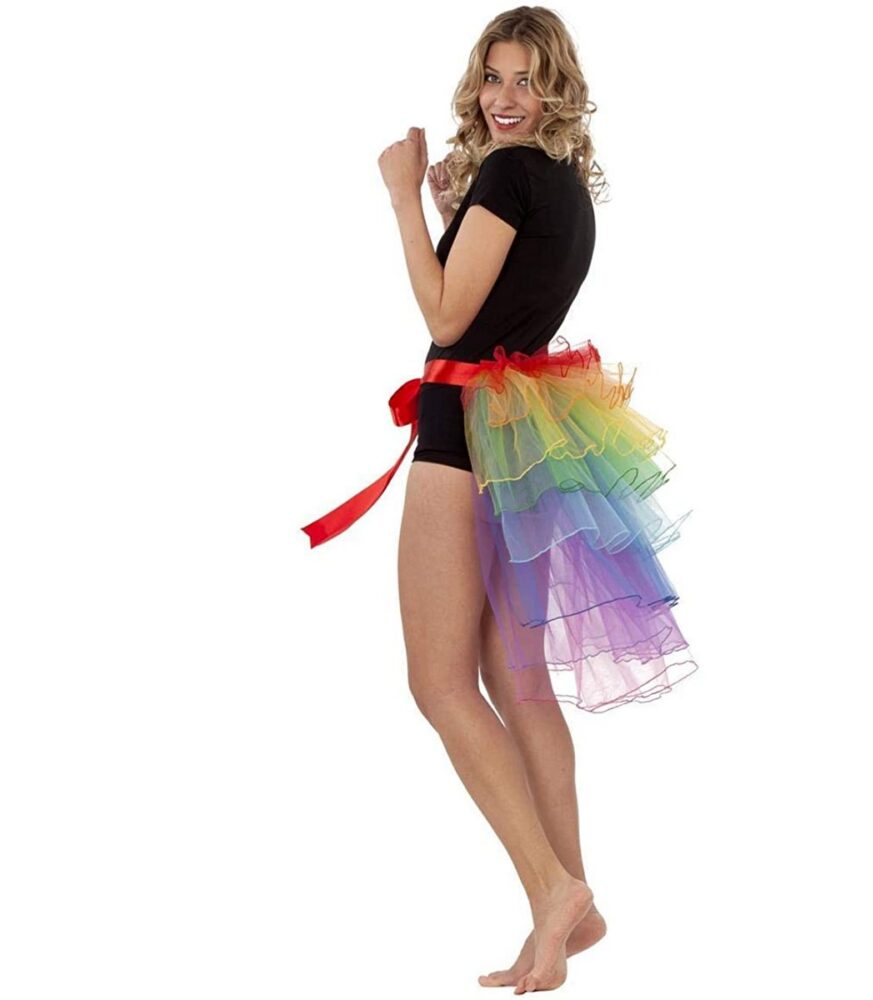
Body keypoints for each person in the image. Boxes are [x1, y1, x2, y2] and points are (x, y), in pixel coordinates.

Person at [303, 7, 698, 993]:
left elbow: (448, 317)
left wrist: (403, 199)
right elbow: (503, 297)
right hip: (520, 438)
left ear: (557, 88)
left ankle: (552, 887)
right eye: (493, 77)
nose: (505, 98)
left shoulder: (510, 176)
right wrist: (455, 207)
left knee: (438, 684)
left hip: (463, 435)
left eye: (526, 80)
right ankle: (570, 913)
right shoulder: (562, 187)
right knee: (515, 681)